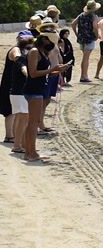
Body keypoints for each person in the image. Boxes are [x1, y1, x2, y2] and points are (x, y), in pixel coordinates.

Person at [23, 28, 63, 163]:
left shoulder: (42, 52)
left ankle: (29, 152)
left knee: (33, 123)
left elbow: (43, 73)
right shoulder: (34, 52)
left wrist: (57, 71)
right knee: (33, 123)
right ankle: (31, 152)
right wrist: (52, 69)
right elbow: (33, 73)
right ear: (45, 39)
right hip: (33, 90)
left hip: (38, 89)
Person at [3, 30, 35, 154]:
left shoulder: (25, 53)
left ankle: (17, 141)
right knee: (13, 113)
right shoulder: (17, 51)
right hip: (12, 85)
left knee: (19, 115)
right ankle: (13, 139)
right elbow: (20, 63)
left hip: (17, 86)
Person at [72, 0, 100, 83]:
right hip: (89, 38)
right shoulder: (93, 16)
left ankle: (83, 75)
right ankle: (84, 76)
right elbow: (95, 28)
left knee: (84, 57)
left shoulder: (81, 15)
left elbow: (73, 24)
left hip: (81, 38)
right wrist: (97, 36)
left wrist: (77, 34)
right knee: (86, 58)